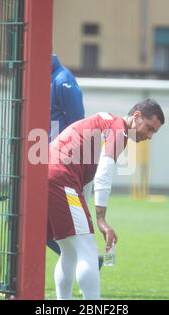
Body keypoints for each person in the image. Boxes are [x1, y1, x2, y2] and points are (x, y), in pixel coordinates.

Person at [48, 98, 165, 299]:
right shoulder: (118, 129)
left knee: (69, 250)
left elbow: (85, 177)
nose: (150, 136)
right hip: (60, 179)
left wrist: (89, 216)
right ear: (136, 116)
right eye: (149, 128)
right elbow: (104, 170)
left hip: (45, 176)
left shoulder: (106, 122)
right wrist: (101, 219)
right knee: (88, 250)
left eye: (154, 132)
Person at [48, 54, 105, 269]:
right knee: (43, 224)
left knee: (66, 224)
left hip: (66, 169)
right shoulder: (50, 77)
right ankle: (87, 260)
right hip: (51, 164)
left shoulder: (63, 80)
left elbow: (77, 122)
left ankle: (87, 260)